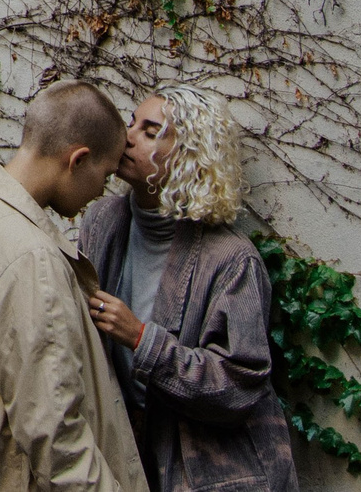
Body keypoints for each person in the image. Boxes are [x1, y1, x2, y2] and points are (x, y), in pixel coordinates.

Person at [0, 79, 150, 492]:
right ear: (77, 159)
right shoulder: (30, 257)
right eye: (106, 174)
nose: (101, 193)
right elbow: (56, 437)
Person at [78, 87, 298, 492]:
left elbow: (239, 385)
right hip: (124, 453)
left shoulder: (232, 259)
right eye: (131, 123)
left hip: (210, 471)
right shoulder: (102, 222)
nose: (127, 136)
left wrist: (142, 340)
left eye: (150, 131)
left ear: (190, 155)